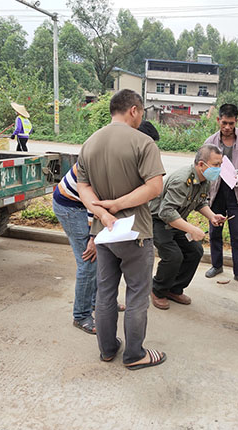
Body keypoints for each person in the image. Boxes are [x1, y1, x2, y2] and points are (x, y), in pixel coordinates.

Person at [78, 89, 167, 370]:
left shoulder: (89, 143)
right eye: (141, 112)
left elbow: (83, 187)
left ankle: (107, 349)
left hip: (104, 232)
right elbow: (155, 187)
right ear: (134, 110)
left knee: (105, 293)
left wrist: (103, 213)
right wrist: (117, 205)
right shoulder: (143, 142)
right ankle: (134, 354)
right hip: (135, 231)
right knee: (137, 294)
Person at [52, 120, 160, 334]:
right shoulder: (107, 156)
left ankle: (97, 302)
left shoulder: (124, 155)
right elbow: (93, 200)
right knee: (89, 260)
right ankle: (81, 315)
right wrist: (94, 236)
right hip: (71, 205)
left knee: (99, 260)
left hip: (88, 206)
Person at [149, 144, 227, 310]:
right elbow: (166, 213)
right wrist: (191, 229)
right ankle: (158, 290)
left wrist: (212, 216)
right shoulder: (182, 180)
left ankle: (174, 289)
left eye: (220, 164)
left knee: (195, 251)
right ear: (201, 164)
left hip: (177, 220)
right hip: (158, 221)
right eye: (215, 165)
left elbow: (200, 202)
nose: (219, 169)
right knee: (173, 256)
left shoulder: (205, 180)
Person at [203, 104, 238, 281]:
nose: (227, 127)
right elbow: (203, 167)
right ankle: (216, 265)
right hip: (216, 192)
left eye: (231, 123)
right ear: (218, 120)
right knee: (215, 231)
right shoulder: (210, 142)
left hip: (237, 193)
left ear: (236, 121)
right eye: (224, 123)